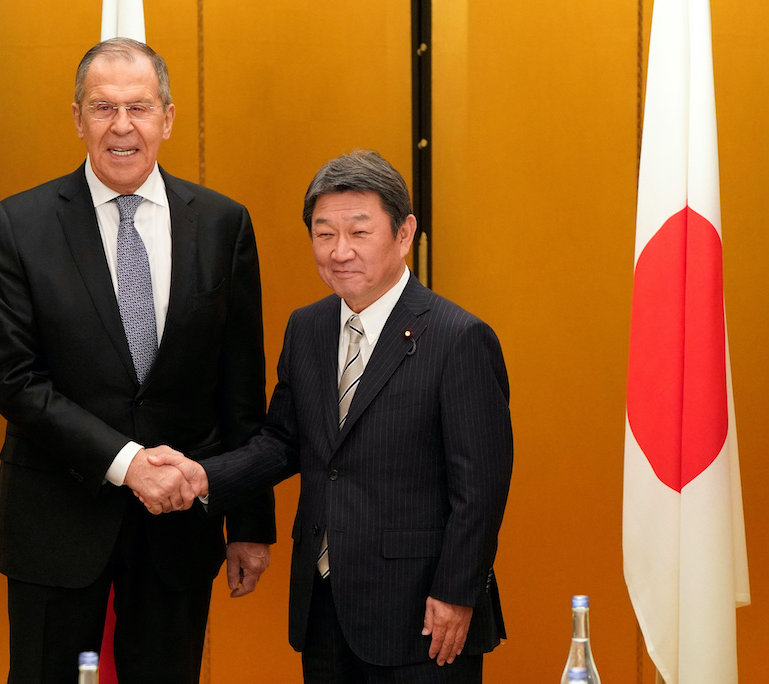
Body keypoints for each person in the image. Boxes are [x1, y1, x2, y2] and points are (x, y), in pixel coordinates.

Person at [149, 150, 513, 683]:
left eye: (359, 232)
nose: (340, 251)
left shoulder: (458, 339)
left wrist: (456, 594)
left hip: (423, 615)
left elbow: (480, 488)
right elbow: (281, 440)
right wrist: (204, 477)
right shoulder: (308, 328)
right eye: (324, 234)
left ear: (405, 232)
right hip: (324, 604)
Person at [0, 37, 275, 684]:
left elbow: (240, 384)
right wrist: (128, 464)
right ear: (78, 118)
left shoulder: (224, 224)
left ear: (167, 118)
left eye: (138, 108)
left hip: (178, 532)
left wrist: (249, 521)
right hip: (55, 520)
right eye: (102, 107)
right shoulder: (18, 225)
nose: (121, 126)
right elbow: (15, 381)